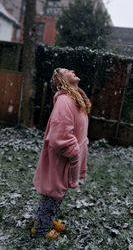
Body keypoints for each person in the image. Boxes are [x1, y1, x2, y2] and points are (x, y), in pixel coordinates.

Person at [31, 68, 91, 239]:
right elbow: (60, 137)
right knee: (52, 193)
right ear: (61, 80)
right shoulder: (64, 100)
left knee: (59, 193)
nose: (71, 70)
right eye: (66, 71)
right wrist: (74, 152)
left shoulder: (74, 98)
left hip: (69, 158)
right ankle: (41, 228)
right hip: (62, 158)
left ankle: (49, 219)